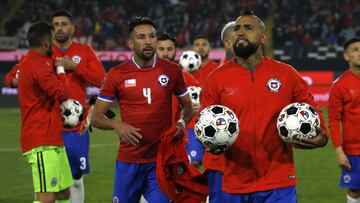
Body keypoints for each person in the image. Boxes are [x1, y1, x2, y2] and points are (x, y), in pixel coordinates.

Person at [200, 10, 328, 203]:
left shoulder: (286, 74)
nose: (240, 32)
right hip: (234, 182)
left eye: (248, 28)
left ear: (264, 37)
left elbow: (310, 107)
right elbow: (204, 122)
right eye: (237, 29)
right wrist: (208, 144)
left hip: (279, 181)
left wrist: (322, 136)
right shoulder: (216, 79)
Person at [91, 16, 195, 203]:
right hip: (129, 160)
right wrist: (116, 124)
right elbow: (96, 117)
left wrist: (181, 123)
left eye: (152, 36)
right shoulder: (117, 74)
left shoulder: (172, 70)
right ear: (130, 42)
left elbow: (188, 105)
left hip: (160, 160)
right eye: (141, 37)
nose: (148, 41)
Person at [51, 9, 106, 203]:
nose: (59, 28)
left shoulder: (84, 52)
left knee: (75, 178)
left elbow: (102, 80)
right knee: (47, 180)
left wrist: (75, 67)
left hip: (76, 126)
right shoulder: (45, 52)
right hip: (49, 124)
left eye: (64, 24)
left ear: (73, 28)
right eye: (56, 24)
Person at [18, 21, 72, 203]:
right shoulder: (36, 64)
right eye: (52, 41)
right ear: (46, 43)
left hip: (52, 138)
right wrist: (61, 69)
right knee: (46, 198)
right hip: (40, 140)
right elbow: (63, 93)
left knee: (64, 192)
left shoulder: (34, 62)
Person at [156, 32, 202, 167]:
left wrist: (182, 123)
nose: (165, 53)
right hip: (151, 138)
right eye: (161, 49)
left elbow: (196, 107)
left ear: (175, 52)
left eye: (169, 49)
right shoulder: (143, 75)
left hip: (174, 138)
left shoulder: (184, 77)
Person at [202, 21, 235, 203]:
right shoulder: (214, 78)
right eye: (240, 37)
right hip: (219, 163)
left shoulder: (256, 73)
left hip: (250, 163)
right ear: (228, 43)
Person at [328, 37, 360, 203]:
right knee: (354, 191)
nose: (359, 53)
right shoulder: (339, 85)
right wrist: (339, 151)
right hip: (354, 150)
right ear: (346, 56)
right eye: (355, 50)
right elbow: (333, 120)